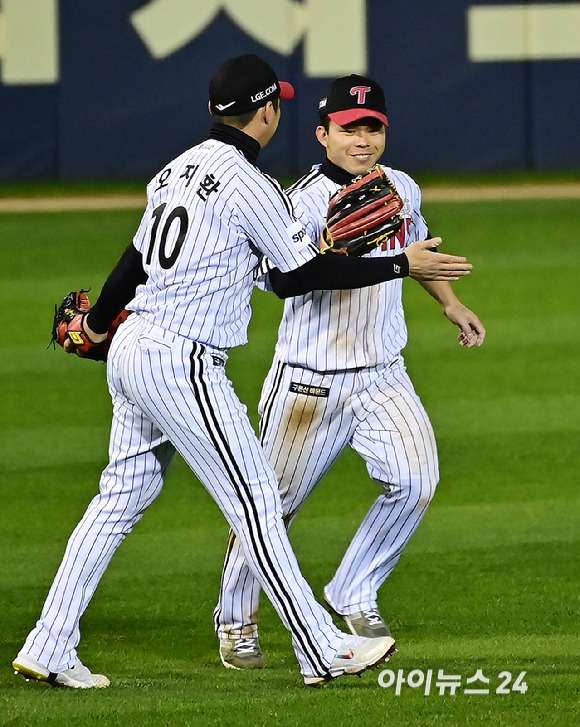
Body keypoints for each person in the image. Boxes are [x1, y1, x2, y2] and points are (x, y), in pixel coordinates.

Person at [12, 58, 473, 689]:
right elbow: (299, 276)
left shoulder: (179, 166)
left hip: (133, 345)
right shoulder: (249, 184)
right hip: (182, 360)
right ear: (268, 114)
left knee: (118, 501)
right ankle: (323, 648)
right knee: (258, 503)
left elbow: (135, 257)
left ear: (212, 111)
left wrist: (96, 325)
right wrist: (398, 265)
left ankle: (50, 642)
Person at [214, 74, 486, 670]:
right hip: (310, 380)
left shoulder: (401, 188)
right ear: (322, 134)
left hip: (384, 373)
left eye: (372, 128)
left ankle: (352, 591)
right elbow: (283, 281)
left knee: (416, 482)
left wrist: (450, 303)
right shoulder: (297, 201)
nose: (362, 139)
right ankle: (236, 622)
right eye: (349, 129)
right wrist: (371, 261)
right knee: (268, 511)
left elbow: (417, 255)